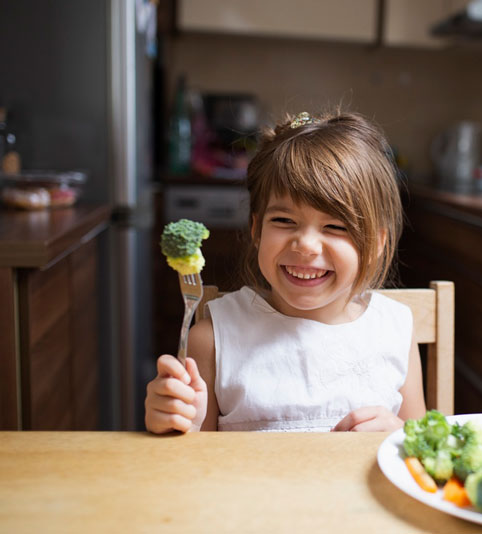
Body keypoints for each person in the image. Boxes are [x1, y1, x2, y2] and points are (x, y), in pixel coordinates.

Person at [145, 110, 426, 433]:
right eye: (283, 221)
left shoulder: (394, 331)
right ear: (256, 230)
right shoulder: (212, 340)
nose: (306, 245)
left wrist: (398, 434)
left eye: (335, 226)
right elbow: (188, 464)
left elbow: (422, 454)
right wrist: (173, 421)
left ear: (377, 243)